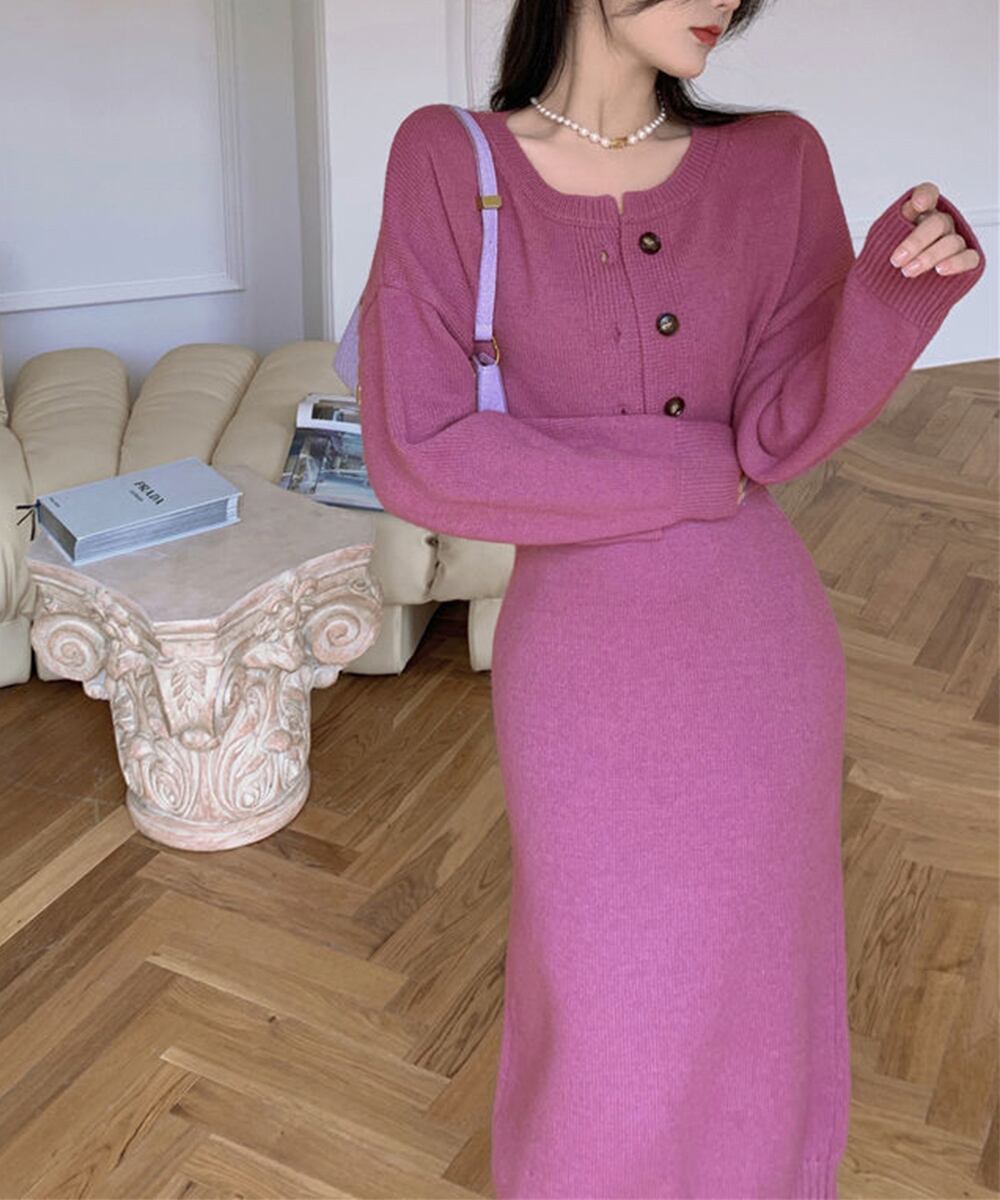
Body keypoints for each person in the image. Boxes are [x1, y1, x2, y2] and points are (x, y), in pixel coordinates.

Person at [354, 1, 987, 1195]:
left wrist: (885, 310)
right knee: (602, 1002)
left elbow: (774, 437)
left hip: (757, 647)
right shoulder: (447, 156)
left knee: (757, 994)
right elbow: (422, 454)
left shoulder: (778, 159)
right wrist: (695, 474)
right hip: (578, 664)